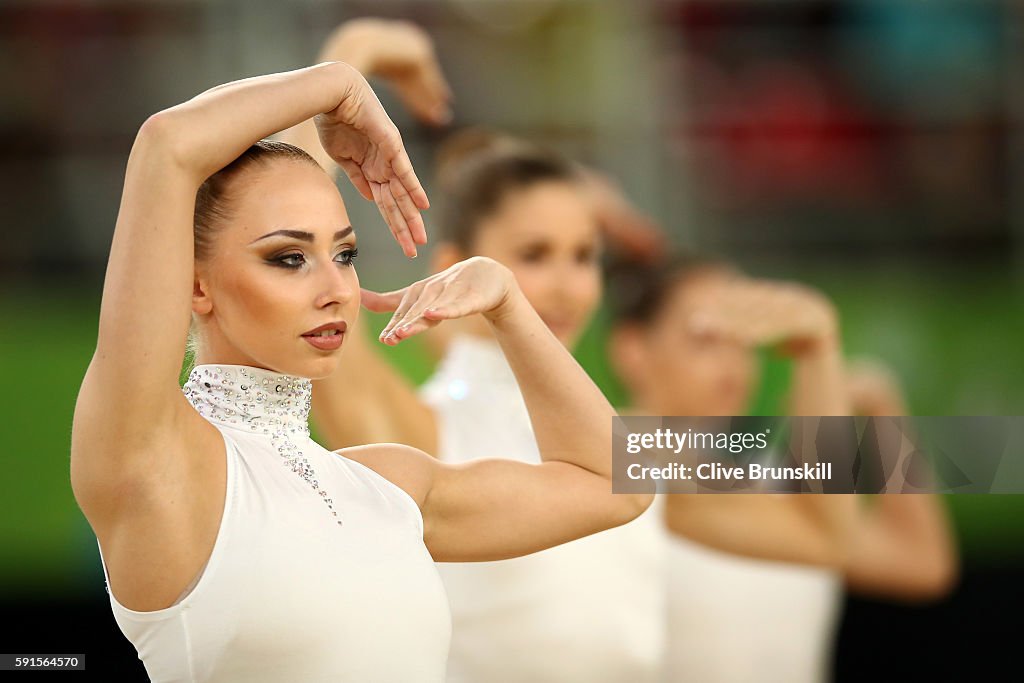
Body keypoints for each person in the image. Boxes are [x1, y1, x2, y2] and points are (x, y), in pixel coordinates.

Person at [68, 58, 653, 683]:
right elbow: (171, 146)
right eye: (289, 258)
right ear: (194, 284)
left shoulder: (388, 483)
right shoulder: (163, 463)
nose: (336, 289)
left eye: (345, 254)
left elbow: (629, 482)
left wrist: (510, 303)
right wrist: (341, 79)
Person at [276, 19, 668, 683]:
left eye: (584, 255)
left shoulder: (634, 436)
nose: (567, 284)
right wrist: (348, 65)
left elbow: (842, 466)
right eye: (534, 254)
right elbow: (289, 251)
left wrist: (822, 357)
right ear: (456, 266)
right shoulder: (426, 432)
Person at [607, 255, 958, 682]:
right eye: (705, 340)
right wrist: (821, 394)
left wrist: (882, 409)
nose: (732, 363)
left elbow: (919, 564)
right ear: (633, 349)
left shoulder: (777, 483)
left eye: (742, 342)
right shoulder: (616, 453)